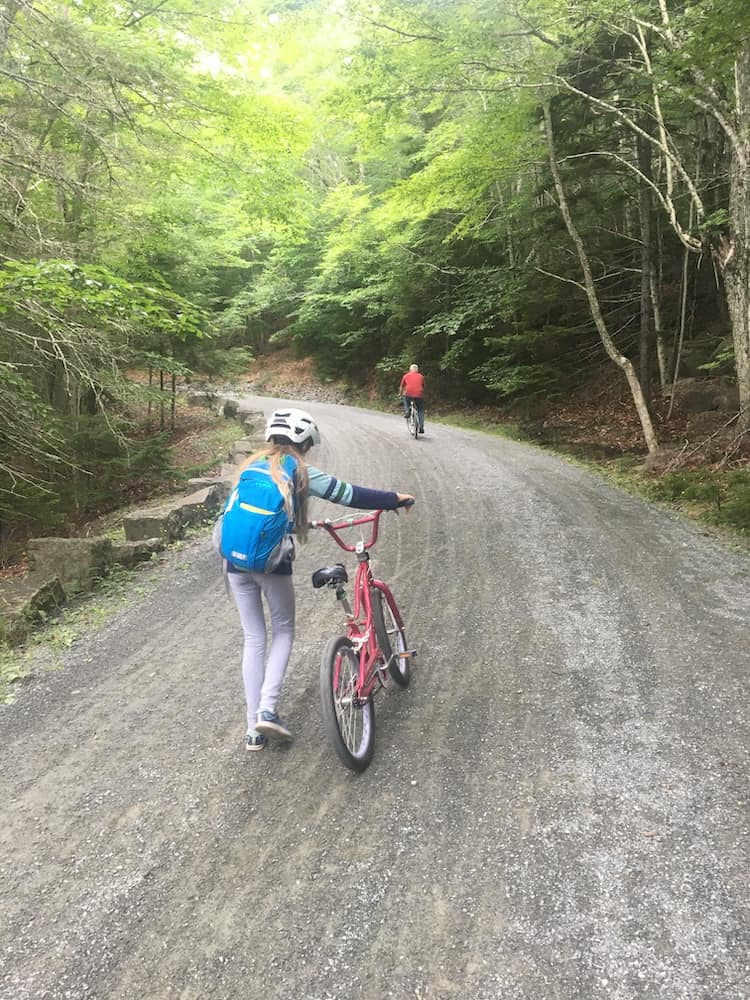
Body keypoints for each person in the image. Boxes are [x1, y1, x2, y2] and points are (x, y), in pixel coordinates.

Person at [226, 407, 415, 752]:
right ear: (305, 443)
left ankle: (253, 728)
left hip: (235, 564)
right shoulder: (299, 471)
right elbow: (349, 494)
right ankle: (268, 709)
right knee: (283, 631)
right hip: (271, 565)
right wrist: (393, 499)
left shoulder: (247, 468)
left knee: (253, 637)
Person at [399, 363, 425, 434]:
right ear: (417, 370)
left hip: (408, 393)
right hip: (419, 395)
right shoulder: (421, 376)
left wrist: (400, 393)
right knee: (421, 410)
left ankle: (407, 411)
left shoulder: (406, 376)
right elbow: (422, 386)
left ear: (410, 370)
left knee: (405, 399)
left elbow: (401, 387)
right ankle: (421, 427)